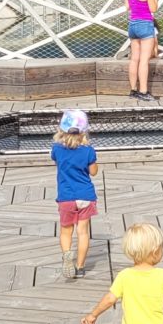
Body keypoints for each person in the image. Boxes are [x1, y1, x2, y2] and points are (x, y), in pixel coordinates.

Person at [52, 110, 98, 279]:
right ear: (84, 130)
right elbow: (93, 172)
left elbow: (58, 163)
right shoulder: (88, 150)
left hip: (66, 197)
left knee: (66, 231)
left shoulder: (57, 149)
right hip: (85, 196)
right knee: (83, 232)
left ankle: (66, 255)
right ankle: (80, 266)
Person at [125, 0, 159, 100]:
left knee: (134, 59)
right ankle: (143, 92)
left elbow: (128, 6)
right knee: (144, 60)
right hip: (145, 25)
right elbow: (153, 9)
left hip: (132, 25)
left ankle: (133, 90)